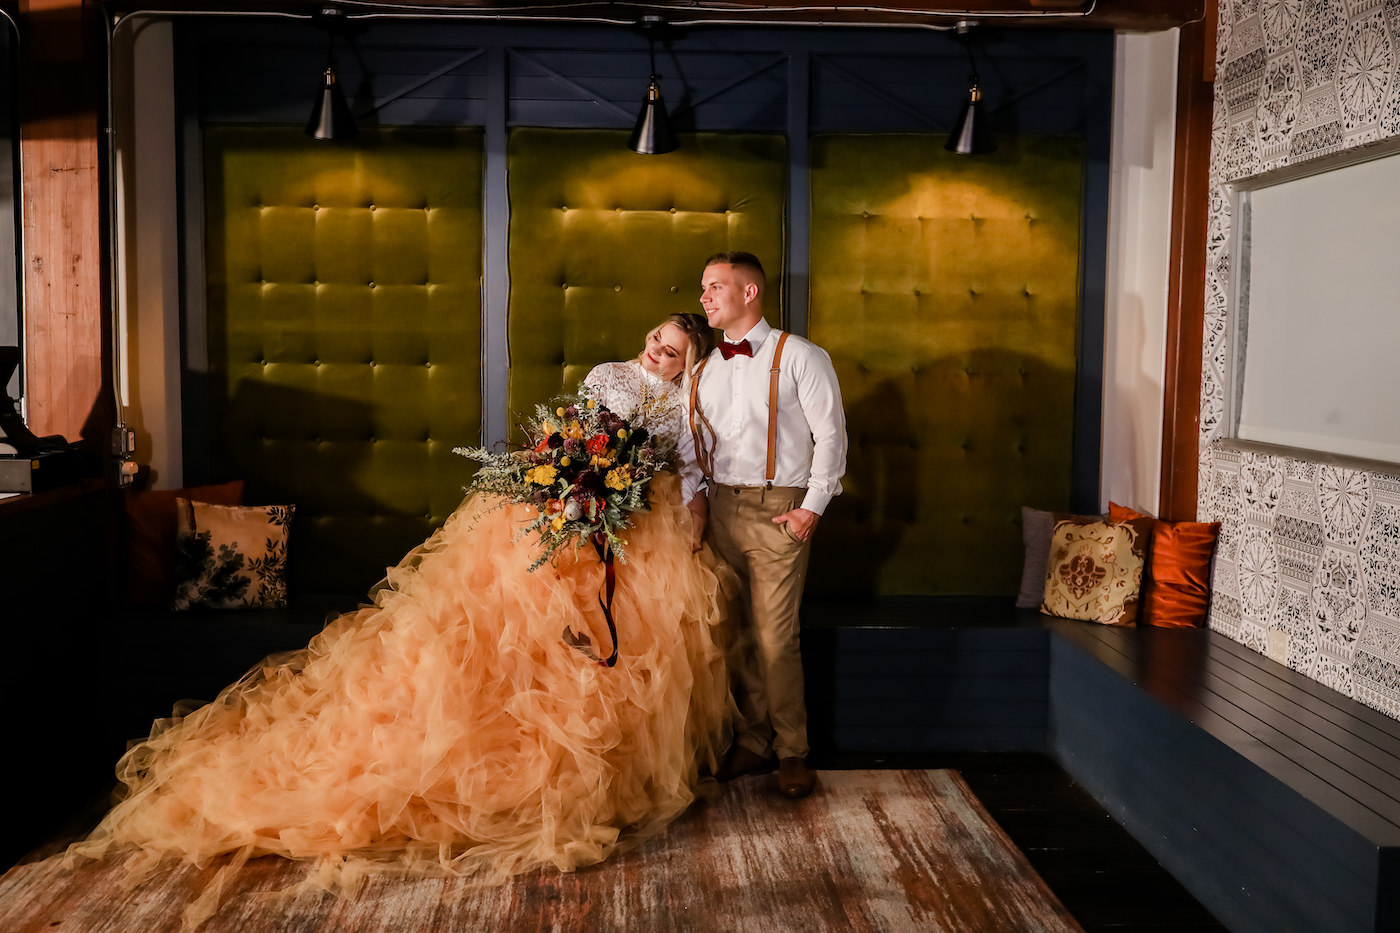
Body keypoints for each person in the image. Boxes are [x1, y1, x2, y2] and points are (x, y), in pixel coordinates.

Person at [64, 313, 730, 926]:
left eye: (671, 350)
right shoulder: (607, 375)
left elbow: (693, 472)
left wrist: (688, 522)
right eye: (656, 336)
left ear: (685, 366)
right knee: (491, 629)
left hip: (631, 524)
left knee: (606, 648)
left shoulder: (683, 405)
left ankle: (591, 772)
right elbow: (576, 430)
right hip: (561, 508)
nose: (656, 349)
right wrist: (562, 476)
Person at [687, 252, 847, 799]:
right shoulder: (705, 365)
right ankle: (752, 741)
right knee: (736, 636)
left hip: (780, 510)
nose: (705, 297)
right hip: (720, 511)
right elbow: (693, 445)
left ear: (749, 292)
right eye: (704, 288)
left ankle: (792, 751)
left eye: (715, 287)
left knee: (777, 638)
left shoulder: (800, 355)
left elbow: (831, 437)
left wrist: (812, 507)